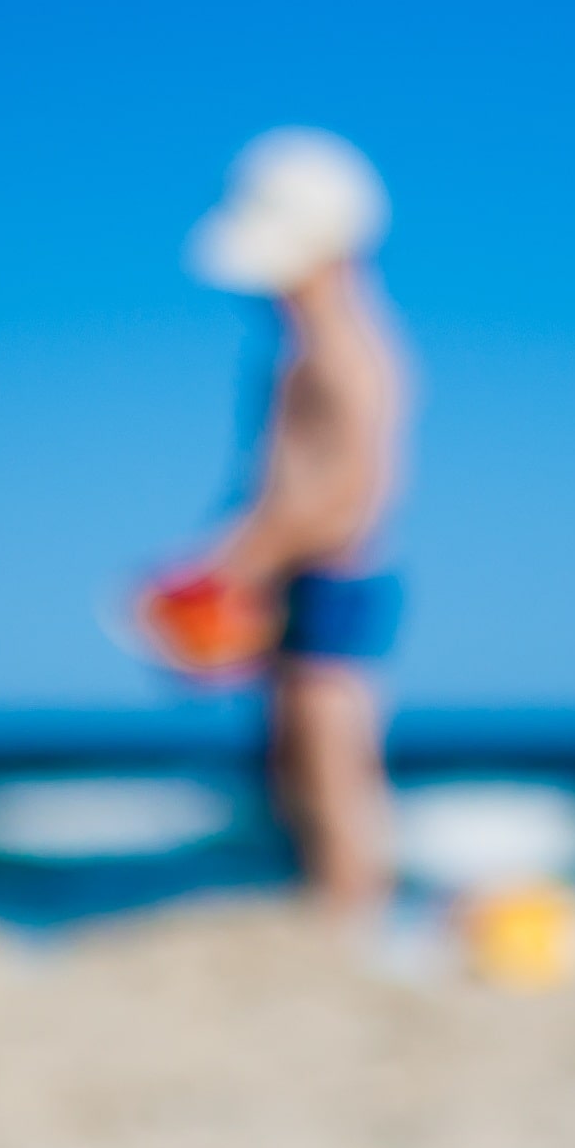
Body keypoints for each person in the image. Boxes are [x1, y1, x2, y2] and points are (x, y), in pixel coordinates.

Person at [150, 129, 411, 923]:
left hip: (336, 574)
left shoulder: (347, 350)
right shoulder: (303, 348)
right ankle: (321, 903)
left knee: (333, 763)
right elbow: (276, 480)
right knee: (290, 761)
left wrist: (235, 560)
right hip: (294, 571)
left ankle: (352, 912)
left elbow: (352, 491)